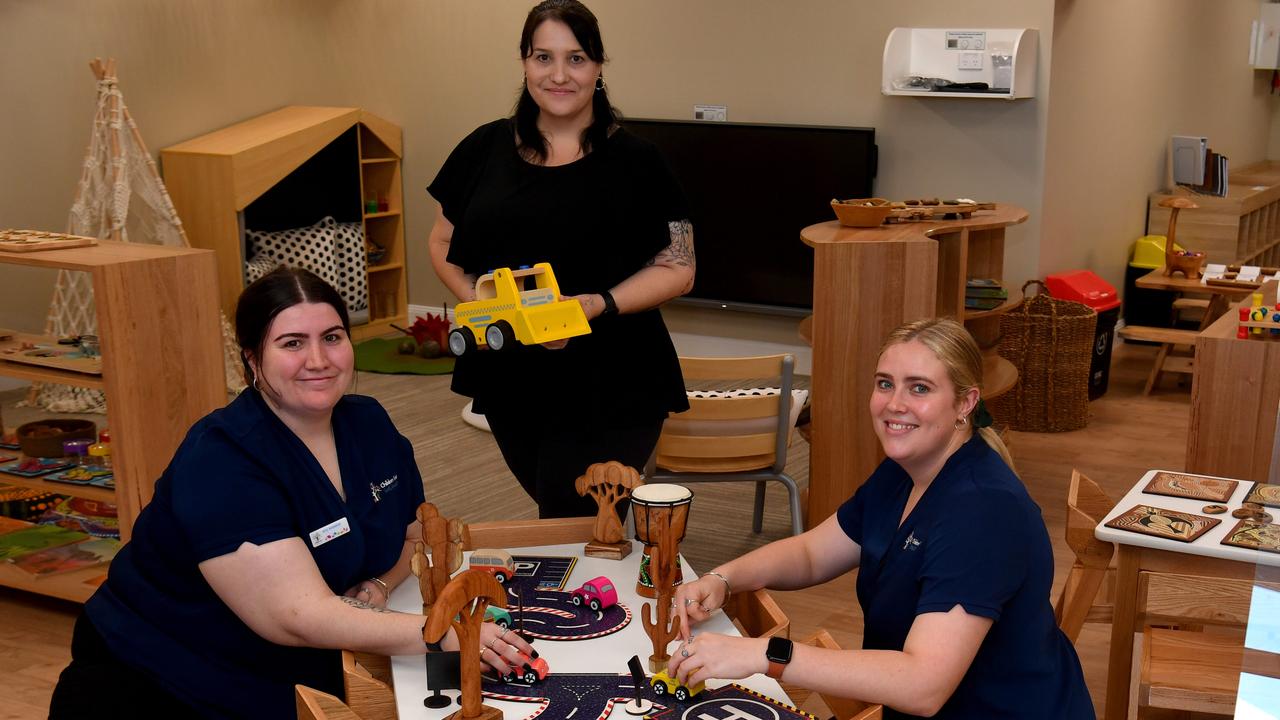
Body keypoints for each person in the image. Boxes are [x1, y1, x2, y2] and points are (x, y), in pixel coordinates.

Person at [49, 267, 533, 719]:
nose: (318, 360)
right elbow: (294, 616)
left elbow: (410, 535)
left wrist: (379, 587)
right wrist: (444, 631)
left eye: (332, 338)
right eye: (292, 343)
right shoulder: (221, 459)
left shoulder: (368, 423)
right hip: (164, 675)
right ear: (253, 359)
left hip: (308, 666)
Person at [668, 318, 1094, 719]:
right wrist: (722, 579)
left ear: (965, 402)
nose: (895, 404)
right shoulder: (906, 471)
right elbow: (814, 553)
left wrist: (764, 655)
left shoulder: (983, 511)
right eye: (885, 384)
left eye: (920, 388)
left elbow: (924, 686)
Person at [427, 0, 694, 519]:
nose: (558, 74)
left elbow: (679, 266)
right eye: (543, 57)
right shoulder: (483, 148)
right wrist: (490, 308)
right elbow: (442, 245)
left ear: (598, 66)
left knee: (574, 517)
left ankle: (584, 597)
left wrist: (598, 303)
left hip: (616, 375)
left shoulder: (641, 161)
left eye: (576, 59)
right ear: (524, 62)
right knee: (566, 512)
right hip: (512, 379)